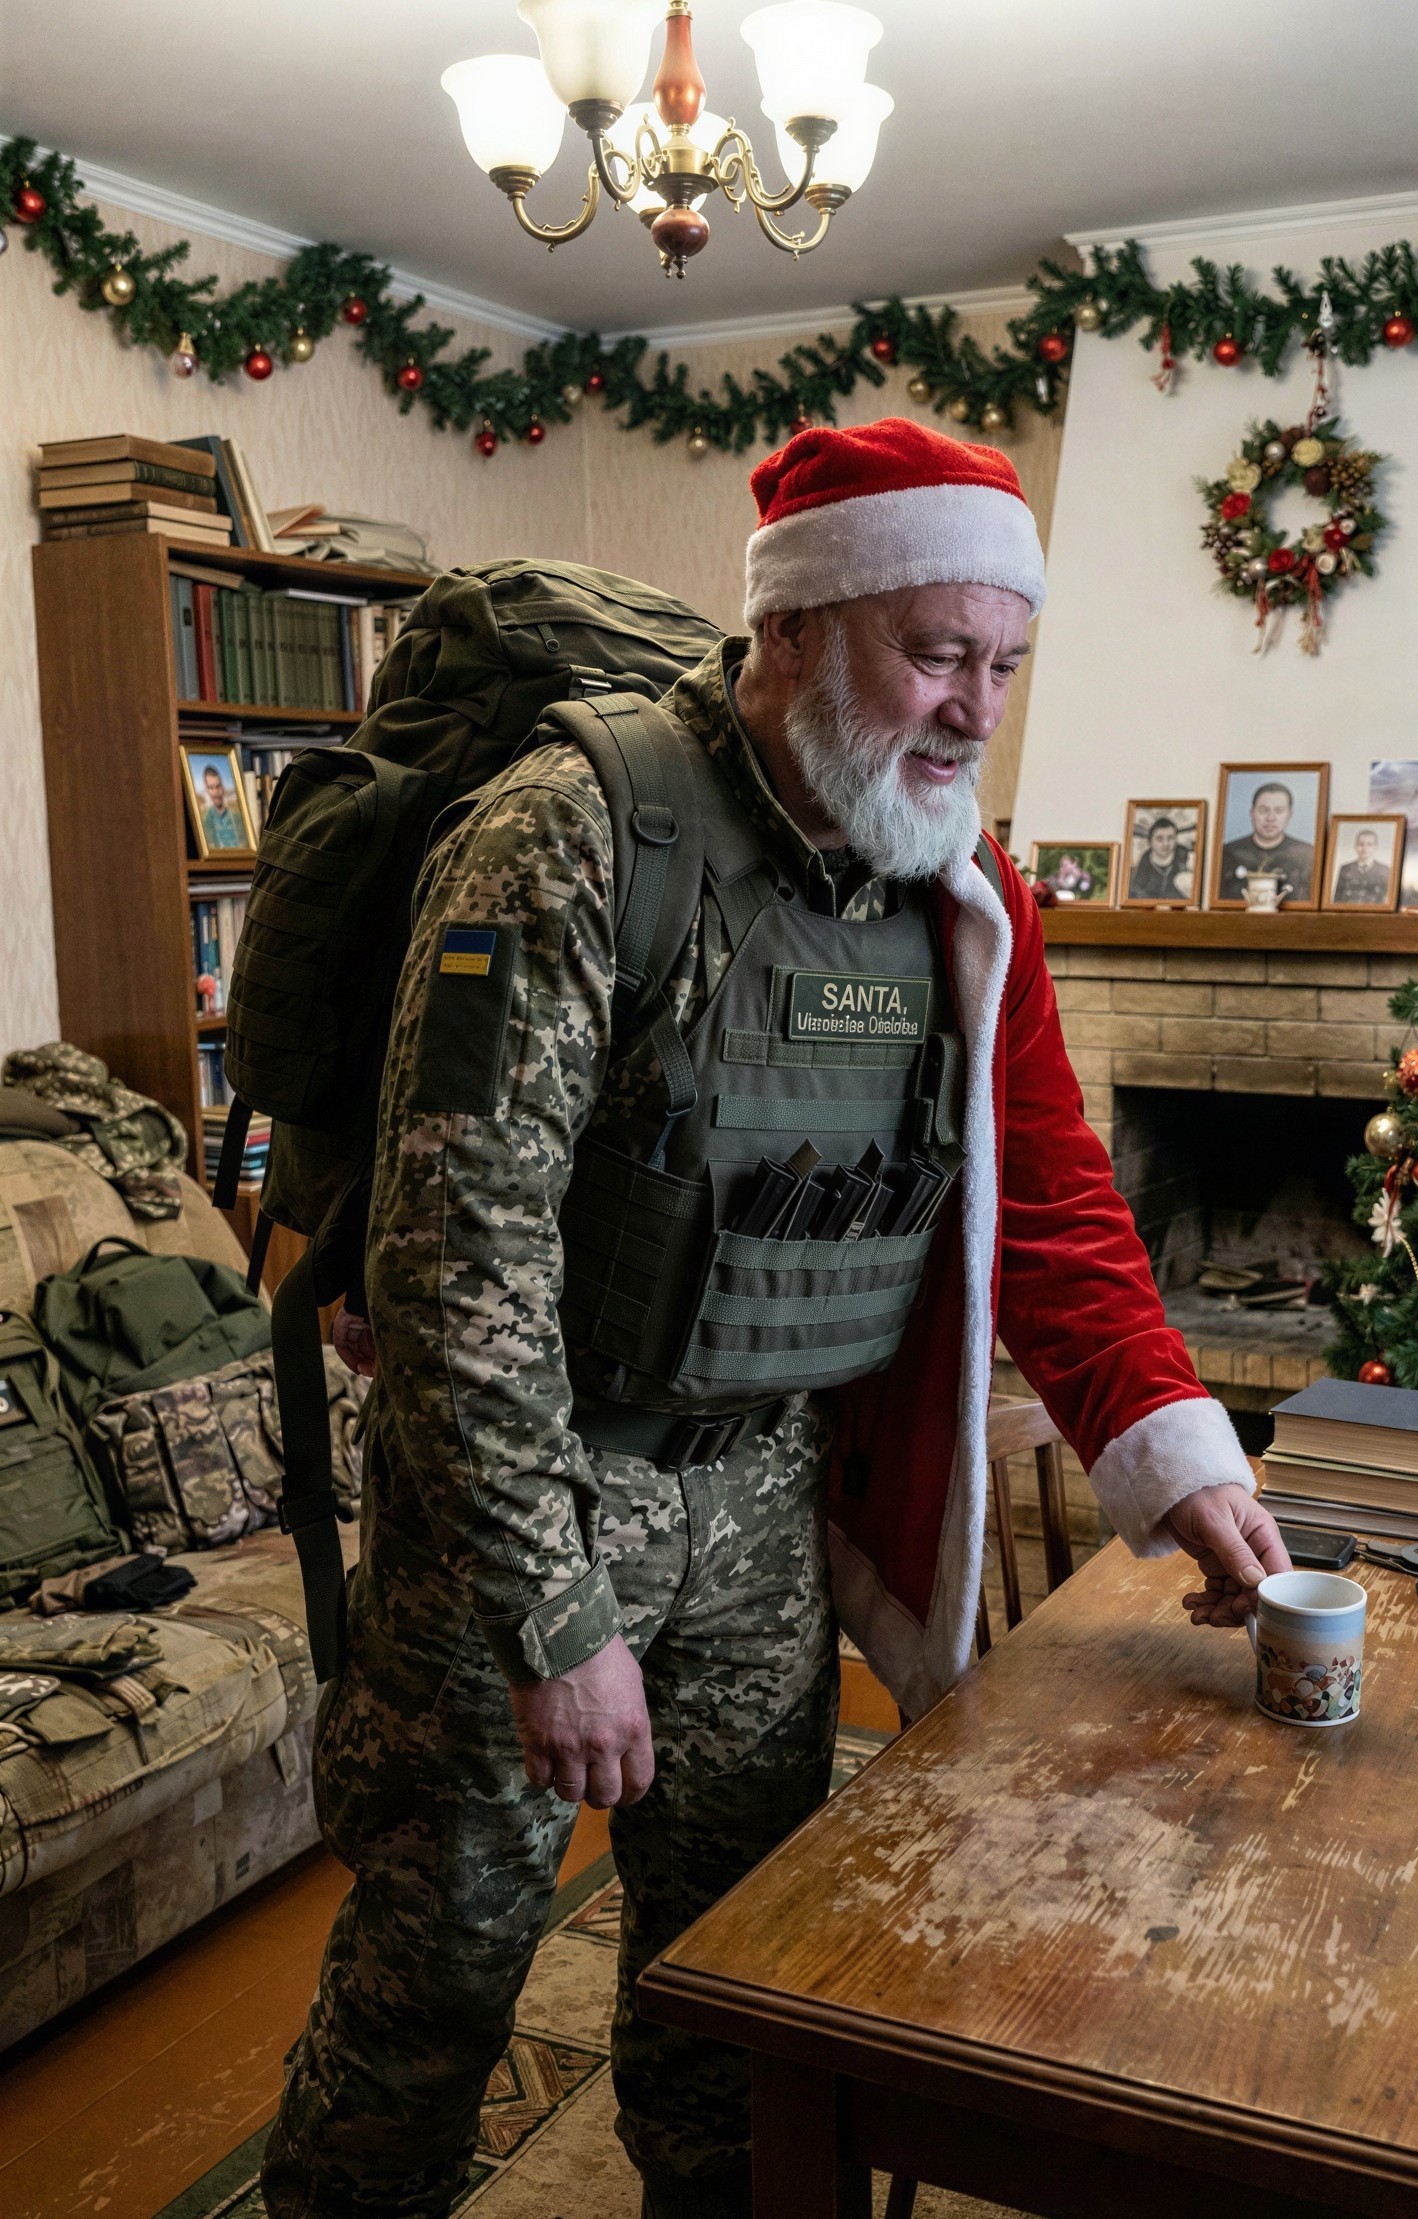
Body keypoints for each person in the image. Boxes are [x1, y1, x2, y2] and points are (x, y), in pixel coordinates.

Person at [262, 418, 1288, 2219]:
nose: (973, 710)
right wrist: (549, 1612)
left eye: (1001, 664)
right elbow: (453, 1259)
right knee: (432, 1984)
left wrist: (1174, 1458)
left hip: (755, 1509)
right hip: (522, 1489)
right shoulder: (573, 831)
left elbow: (1046, 1196)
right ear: (797, 628)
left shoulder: (957, 883)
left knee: (736, 1984)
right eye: (933, 653)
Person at [1216, 779, 1314, 901]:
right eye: (1263, 810)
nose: (1270, 818)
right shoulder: (1228, 853)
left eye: (1279, 810)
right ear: (1252, 813)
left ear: (1289, 815)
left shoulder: (1307, 854)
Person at [1127, 813, 1192, 901]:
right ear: (1150, 841)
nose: (1165, 844)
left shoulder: (1186, 858)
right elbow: (1135, 894)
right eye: (1159, 839)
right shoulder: (1142, 866)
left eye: (1170, 838)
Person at [1331, 824, 1390, 905]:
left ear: (1375, 847)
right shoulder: (1345, 868)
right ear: (1355, 846)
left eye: (1369, 844)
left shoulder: (1385, 870)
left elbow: (1386, 901)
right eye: (1361, 844)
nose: (1365, 848)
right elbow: (1337, 900)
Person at [197, 763, 244, 849]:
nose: (215, 792)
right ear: (206, 789)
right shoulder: (204, 822)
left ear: (222, 787)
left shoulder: (238, 818)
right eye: (211, 788)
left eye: (218, 786)